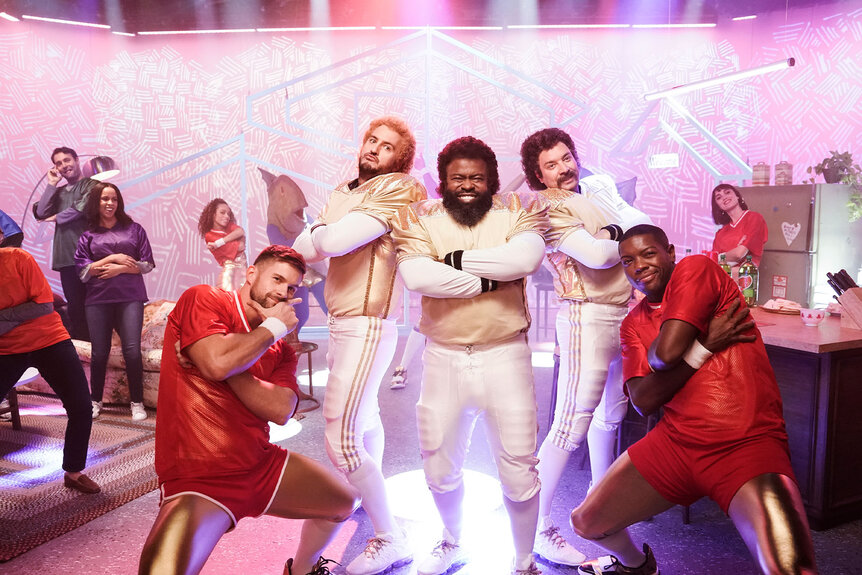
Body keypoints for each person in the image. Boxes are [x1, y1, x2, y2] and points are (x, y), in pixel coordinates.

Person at [570, 224, 817, 575]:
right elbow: (643, 400)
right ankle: (637, 566)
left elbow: (664, 354)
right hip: (675, 445)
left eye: (648, 253)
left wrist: (672, 357)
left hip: (745, 443)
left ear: (670, 252)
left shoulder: (696, 269)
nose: (638, 266)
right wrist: (704, 345)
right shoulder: (633, 324)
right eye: (627, 260)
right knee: (585, 522)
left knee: (793, 570)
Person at [139, 245, 359, 575]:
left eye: (292, 287)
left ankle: (300, 570)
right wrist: (265, 333)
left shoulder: (282, 349)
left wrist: (228, 366)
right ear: (251, 274)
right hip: (199, 478)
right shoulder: (205, 299)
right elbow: (216, 363)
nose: (283, 292)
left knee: (345, 501)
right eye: (277, 279)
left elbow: (281, 409)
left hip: (260, 465)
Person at [392, 136, 550, 575]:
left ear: (491, 180)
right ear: (442, 181)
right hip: (442, 358)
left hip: (506, 356)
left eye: (476, 178)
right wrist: (488, 279)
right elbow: (417, 275)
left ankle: (524, 561)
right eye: (457, 178)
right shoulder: (418, 215)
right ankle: (452, 540)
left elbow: (526, 258)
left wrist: (454, 259)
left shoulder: (518, 208)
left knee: (520, 467)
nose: (467, 185)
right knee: (438, 465)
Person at [293, 116, 427, 575]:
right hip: (342, 322)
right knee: (365, 420)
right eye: (372, 140)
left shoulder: (401, 188)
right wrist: (321, 235)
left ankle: (390, 535)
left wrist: (322, 234)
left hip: (369, 324)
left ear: (399, 160)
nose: (374, 149)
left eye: (387, 146)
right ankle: (372, 499)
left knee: (341, 436)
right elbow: (306, 247)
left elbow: (330, 239)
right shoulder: (345, 190)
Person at [519, 127, 651, 566]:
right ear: (539, 176)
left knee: (609, 418)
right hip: (584, 316)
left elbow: (643, 231)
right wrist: (617, 222)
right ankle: (537, 529)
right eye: (551, 165)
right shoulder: (546, 207)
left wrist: (615, 214)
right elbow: (598, 255)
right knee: (569, 424)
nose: (564, 168)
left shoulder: (594, 192)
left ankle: (604, 511)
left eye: (566, 157)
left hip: (619, 314)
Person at [0, 247, 101, 494]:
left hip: (50, 339)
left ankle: (74, 472)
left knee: (80, 407)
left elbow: (44, 305)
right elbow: (31, 308)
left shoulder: (19, 258)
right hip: (7, 348)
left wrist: (4, 316)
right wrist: (21, 313)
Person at [75, 183, 155, 421]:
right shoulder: (87, 235)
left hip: (130, 297)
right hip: (97, 299)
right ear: (96, 203)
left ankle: (137, 403)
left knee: (132, 351)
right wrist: (113, 257)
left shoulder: (134, 229)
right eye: (104, 199)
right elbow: (82, 271)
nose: (110, 203)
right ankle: (95, 401)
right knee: (100, 352)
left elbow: (147, 264)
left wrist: (119, 269)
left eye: (114, 199)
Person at [33, 147, 99, 341]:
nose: (64, 166)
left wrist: (56, 217)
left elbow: (81, 207)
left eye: (67, 160)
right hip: (66, 259)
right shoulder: (58, 192)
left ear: (77, 160)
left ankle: (102, 352)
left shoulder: (92, 185)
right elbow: (40, 212)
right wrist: (52, 184)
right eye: (58, 163)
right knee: (76, 308)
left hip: (91, 257)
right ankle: (84, 356)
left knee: (96, 306)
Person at [261, 170, 329, 333]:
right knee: (301, 313)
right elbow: (284, 248)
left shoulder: (305, 218)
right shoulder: (274, 226)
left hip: (315, 271)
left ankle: (342, 338)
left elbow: (318, 233)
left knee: (330, 305)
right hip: (297, 275)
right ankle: (291, 341)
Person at [711, 183, 768, 267]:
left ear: (737, 196)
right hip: (721, 278)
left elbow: (739, 254)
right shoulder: (720, 233)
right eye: (719, 197)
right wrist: (728, 256)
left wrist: (721, 257)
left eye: (727, 192)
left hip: (745, 277)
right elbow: (713, 262)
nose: (724, 197)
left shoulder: (754, 218)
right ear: (718, 206)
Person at [198, 198, 247, 291]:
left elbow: (240, 231)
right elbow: (240, 246)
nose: (227, 216)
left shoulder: (229, 226)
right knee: (228, 300)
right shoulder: (210, 236)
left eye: (228, 214)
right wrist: (237, 238)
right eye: (222, 212)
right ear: (213, 214)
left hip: (243, 270)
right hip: (230, 274)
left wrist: (219, 243)